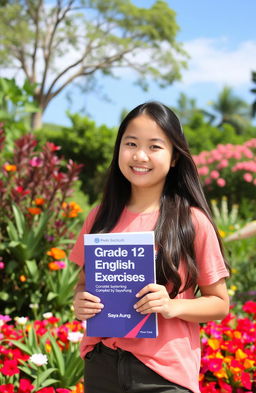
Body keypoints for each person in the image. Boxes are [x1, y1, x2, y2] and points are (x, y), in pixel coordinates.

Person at [70, 101, 230, 393]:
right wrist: (81, 301)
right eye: (131, 143)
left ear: (173, 158)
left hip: (164, 373)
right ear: (119, 148)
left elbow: (219, 304)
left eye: (155, 146)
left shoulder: (192, 222)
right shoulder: (99, 216)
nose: (140, 155)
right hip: (102, 365)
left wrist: (171, 306)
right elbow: (83, 285)